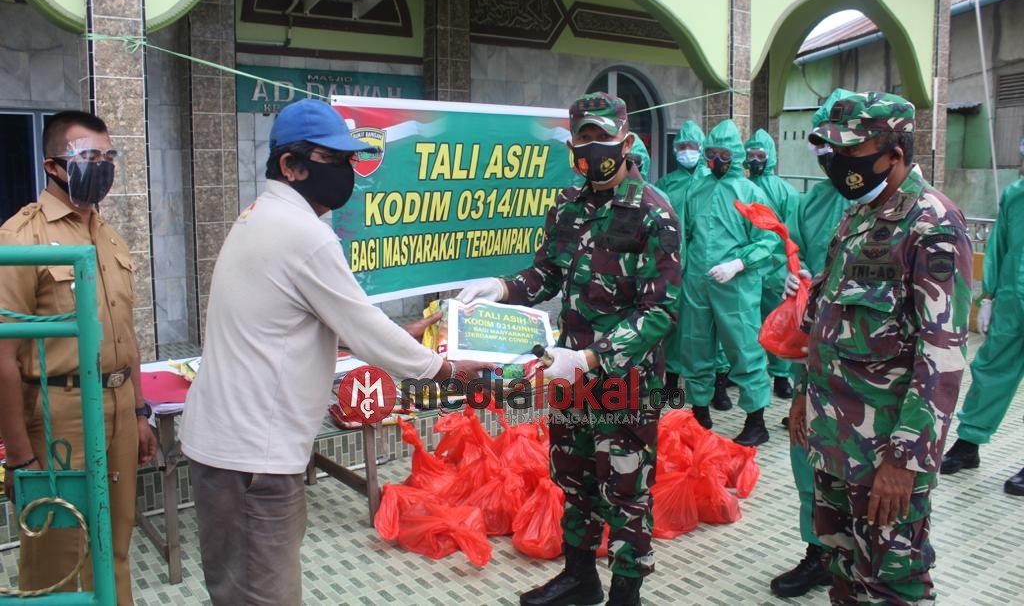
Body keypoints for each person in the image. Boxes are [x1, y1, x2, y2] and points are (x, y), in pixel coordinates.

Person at [179, 99, 491, 606]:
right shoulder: (303, 235)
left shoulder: (260, 215)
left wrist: (401, 331)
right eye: (335, 160)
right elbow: (362, 325)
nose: (347, 172)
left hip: (230, 448)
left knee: (234, 588)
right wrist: (447, 368)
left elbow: (294, 320)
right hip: (252, 458)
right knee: (264, 596)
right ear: (291, 165)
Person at [457, 92, 682, 606]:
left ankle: (627, 593)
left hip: (624, 379)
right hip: (569, 374)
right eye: (582, 137)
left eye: (601, 136)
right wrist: (501, 288)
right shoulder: (567, 205)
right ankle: (581, 578)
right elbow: (547, 274)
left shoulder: (654, 214)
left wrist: (592, 358)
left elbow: (660, 311)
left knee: (625, 489)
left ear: (625, 140)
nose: (591, 147)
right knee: (573, 475)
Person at [790, 91, 972, 603]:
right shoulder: (858, 217)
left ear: (895, 151)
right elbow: (827, 322)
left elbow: (942, 355)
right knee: (845, 570)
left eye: (853, 151)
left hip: (885, 454)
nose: (840, 164)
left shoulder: (932, 224)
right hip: (835, 443)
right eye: (834, 153)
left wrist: (906, 462)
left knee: (893, 585)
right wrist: (804, 395)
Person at [0, 110, 157, 604]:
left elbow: (125, 333)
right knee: (60, 548)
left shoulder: (108, 235)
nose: (103, 167)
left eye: (109, 157)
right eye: (90, 157)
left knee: (116, 542)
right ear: (53, 165)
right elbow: (3, 356)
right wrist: (19, 456)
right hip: (58, 414)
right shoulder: (19, 238)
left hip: (117, 408)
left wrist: (138, 411)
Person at [771, 89, 853, 599]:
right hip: (815, 358)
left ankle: (859, 561)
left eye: (837, 146)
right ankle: (819, 550)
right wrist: (792, 276)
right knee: (808, 455)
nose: (827, 156)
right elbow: (795, 253)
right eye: (821, 146)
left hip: (874, 373)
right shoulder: (815, 200)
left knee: (864, 475)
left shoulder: (911, 211)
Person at [677, 119, 775, 445]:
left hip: (736, 285)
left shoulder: (750, 192)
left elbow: (768, 241)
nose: (715, 159)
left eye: (723, 153)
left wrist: (738, 263)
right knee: (695, 345)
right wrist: (684, 271)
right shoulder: (697, 189)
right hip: (698, 282)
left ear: (735, 155)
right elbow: (686, 234)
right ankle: (699, 411)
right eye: (711, 153)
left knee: (744, 347)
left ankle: (756, 420)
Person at [940, 165, 1024, 495]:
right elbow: (1000, 243)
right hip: (1011, 301)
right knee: (989, 371)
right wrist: (988, 295)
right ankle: (968, 443)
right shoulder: (1016, 195)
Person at [657, 121, 732, 408]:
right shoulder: (666, 184)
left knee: (715, 329)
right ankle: (672, 383)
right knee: (675, 327)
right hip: (674, 265)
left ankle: (719, 386)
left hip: (708, 265)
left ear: (702, 149)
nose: (685, 151)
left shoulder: (712, 181)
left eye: (691, 146)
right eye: (680, 147)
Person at [744, 128, 800, 400]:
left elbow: (793, 233)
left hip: (776, 269)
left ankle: (780, 375)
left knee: (779, 323)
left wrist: (792, 267)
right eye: (750, 154)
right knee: (747, 324)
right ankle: (747, 374)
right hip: (750, 268)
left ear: (771, 157)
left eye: (760, 154)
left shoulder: (785, 192)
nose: (754, 159)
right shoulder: (741, 188)